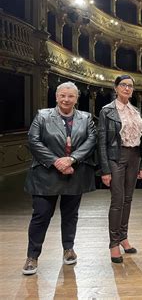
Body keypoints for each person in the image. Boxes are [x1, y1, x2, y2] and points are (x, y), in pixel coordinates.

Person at [22, 82, 96, 275]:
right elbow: (33, 141)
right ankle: (32, 257)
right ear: (56, 97)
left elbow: (91, 141)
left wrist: (71, 160)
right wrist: (57, 162)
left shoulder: (86, 118)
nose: (66, 99)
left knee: (71, 215)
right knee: (41, 216)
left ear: (76, 98)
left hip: (74, 173)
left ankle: (68, 249)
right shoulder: (42, 116)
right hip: (46, 174)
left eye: (70, 96)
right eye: (62, 95)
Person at [98, 75, 142, 264]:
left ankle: (124, 237)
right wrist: (105, 169)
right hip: (116, 157)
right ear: (116, 88)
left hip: (134, 156)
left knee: (128, 199)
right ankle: (113, 244)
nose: (127, 88)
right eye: (123, 85)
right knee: (117, 201)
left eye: (130, 86)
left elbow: (140, 138)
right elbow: (101, 141)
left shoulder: (135, 110)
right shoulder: (107, 111)